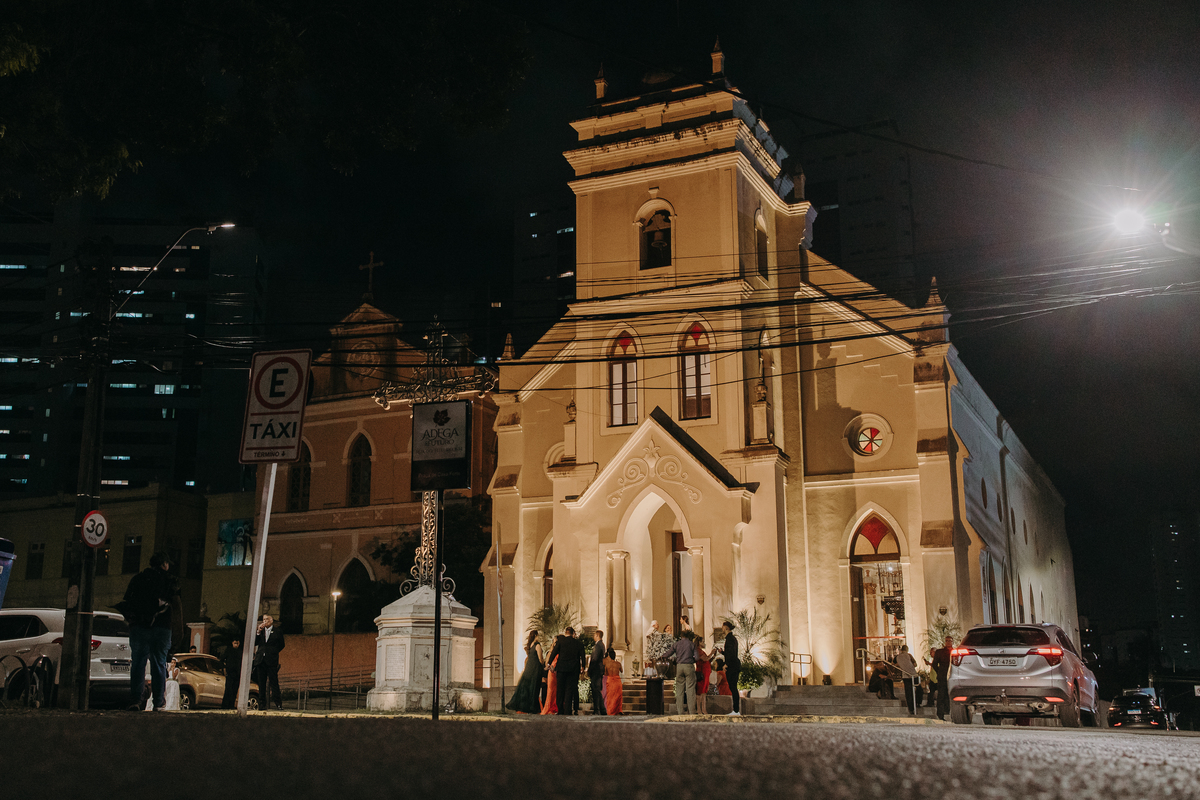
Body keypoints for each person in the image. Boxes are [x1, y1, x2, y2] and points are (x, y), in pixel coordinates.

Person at [120, 551, 175, 711]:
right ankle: (158, 702)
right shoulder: (168, 581)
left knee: (138, 662)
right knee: (159, 663)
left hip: (139, 627)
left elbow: (128, 602)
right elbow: (175, 606)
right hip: (161, 628)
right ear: (164, 564)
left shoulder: (138, 579)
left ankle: (136, 699)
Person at [547, 627, 585, 715]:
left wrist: (549, 663)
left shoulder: (561, 641)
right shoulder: (578, 643)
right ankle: (568, 710)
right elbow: (582, 656)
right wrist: (583, 666)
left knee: (560, 689)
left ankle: (560, 709)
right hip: (573, 670)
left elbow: (554, 652)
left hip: (561, 669)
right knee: (569, 690)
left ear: (566, 633)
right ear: (573, 634)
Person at [506, 631, 544, 714]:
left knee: (528, 688)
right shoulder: (537, 645)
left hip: (529, 669)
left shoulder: (529, 646)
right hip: (535, 669)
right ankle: (533, 707)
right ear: (536, 636)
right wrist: (544, 665)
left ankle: (526, 707)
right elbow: (540, 659)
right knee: (534, 688)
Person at [254, 614, 286, 711]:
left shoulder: (277, 631)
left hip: (271, 661)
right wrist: (258, 632)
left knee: (274, 683)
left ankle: (278, 704)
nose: (265, 621)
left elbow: (282, 644)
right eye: (263, 619)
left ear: (271, 621)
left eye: (267, 619)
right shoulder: (261, 631)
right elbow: (255, 642)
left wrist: (273, 652)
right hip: (261, 661)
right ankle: (262, 704)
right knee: (261, 683)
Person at [672, 633, 698, 714]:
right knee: (690, 689)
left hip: (679, 667)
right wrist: (691, 660)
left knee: (679, 690)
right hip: (689, 666)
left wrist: (663, 656)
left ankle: (680, 711)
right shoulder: (691, 644)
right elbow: (697, 657)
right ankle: (692, 711)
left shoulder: (677, 644)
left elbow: (669, 653)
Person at [721, 620, 742, 716]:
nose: (722, 629)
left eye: (722, 627)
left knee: (733, 687)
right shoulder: (732, 638)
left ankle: (736, 710)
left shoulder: (729, 639)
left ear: (726, 628)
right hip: (734, 665)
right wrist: (723, 653)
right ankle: (736, 709)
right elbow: (730, 652)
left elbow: (731, 654)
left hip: (732, 666)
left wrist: (726, 664)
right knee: (733, 687)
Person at [932, 635, 953, 720]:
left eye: (950, 641)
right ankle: (940, 714)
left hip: (952, 676)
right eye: (947, 640)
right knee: (941, 695)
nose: (948, 642)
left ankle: (948, 712)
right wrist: (939, 671)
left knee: (950, 695)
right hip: (942, 676)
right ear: (944, 642)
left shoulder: (954, 651)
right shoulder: (939, 652)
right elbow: (934, 664)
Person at [587, 630, 607, 715]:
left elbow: (594, 659)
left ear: (598, 635)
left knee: (595, 690)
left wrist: (589, 670)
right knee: (597, 690)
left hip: (596, 670)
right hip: (598, 670)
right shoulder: (601, 645)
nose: (593, 636)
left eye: (594, 635)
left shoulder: (598, 645)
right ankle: (602, 709)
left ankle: (597, 710)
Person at [895, 645, 919, 714]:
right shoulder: (909, 655)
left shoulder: (897, 657)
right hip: (913, 675)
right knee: (917, 688)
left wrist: (901, 665)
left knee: (908, 692)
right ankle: (917, 703)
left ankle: (911, 708)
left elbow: (893, 664)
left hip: (905, 676)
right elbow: (915, 664)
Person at [220, 638, 243, 709]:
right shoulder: (229, 650)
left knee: (234, 690)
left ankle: (231, 705)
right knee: (228, 690)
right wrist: (224, 669)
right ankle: (225, 706)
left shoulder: (240, 652)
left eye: (237, 643)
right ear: (232, 643)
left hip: (237, 674)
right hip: (230, 673)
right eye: (235, 643)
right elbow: (221, 659)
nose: (236, 644)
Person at [603, 647, 623, 716]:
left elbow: (605, 673)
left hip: (610, 680)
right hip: (617, 680)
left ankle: (610, 711)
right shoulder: (618, 664)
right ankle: (618, 710)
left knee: (610, 696)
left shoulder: (607, 664)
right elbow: (621, 670)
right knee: (618, 697)